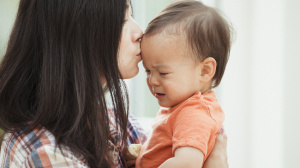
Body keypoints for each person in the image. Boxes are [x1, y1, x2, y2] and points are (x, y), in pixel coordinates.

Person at [0, 0, 228, 167]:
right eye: (123, 20)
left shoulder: (110, 121)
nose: (139, 32)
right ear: (81, 36)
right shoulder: (45, 150)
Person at [136, 0, 232, 168]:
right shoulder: (183, 107)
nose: (152, 80)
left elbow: (187, 163)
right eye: (148, 71)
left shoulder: (194, 113)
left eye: (163, 73)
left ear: (205, 71)